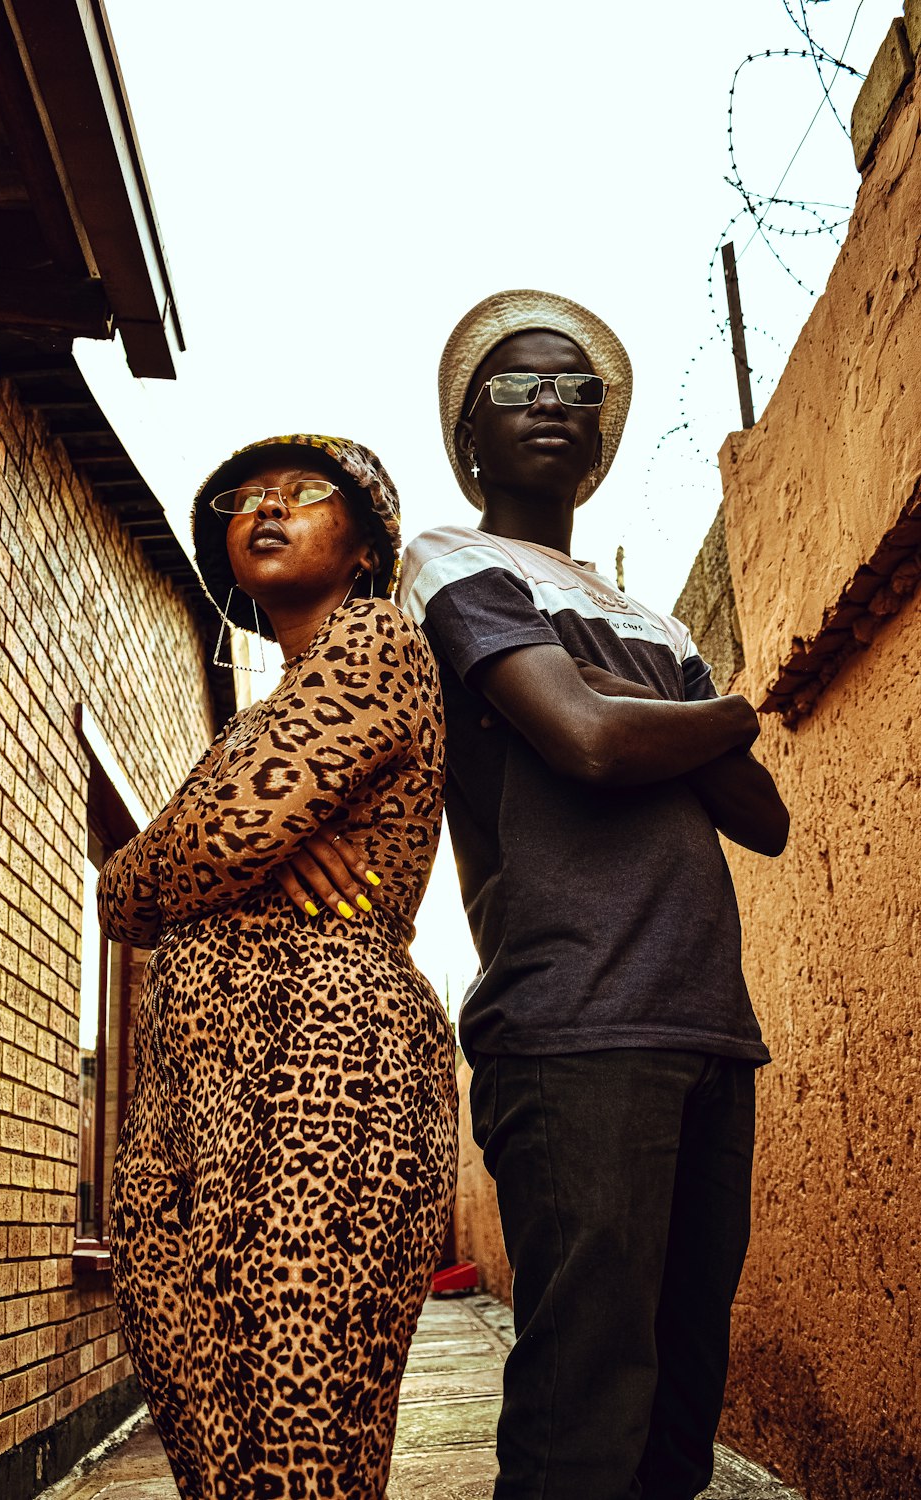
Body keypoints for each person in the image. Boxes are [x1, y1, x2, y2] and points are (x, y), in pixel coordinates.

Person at [393, 291, 791, 1500]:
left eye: (574, 388)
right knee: (587, 1406)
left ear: (605, 436)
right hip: (574, 1024)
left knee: (679, 1409)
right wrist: (717, 714)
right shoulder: (449, 565)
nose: (550, 404)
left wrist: (656, 720)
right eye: (515, 387)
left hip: (706, 1026)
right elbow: (587, 743)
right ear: (469, 435)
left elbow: (760, 818)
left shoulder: (650, 617)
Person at [96, 433, 457, 1500]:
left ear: (363, 544)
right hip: (191, 1089)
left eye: (305, 494)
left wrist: (208, 851)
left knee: (300, 1432)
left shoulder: (378, 641)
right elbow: (119, 895)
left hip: (325, 1061)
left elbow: (213, 844)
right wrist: (206, 851)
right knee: (206, 1430)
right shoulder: (254, 720)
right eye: (246, 498)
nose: (266, 508)